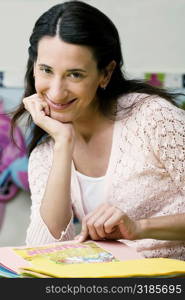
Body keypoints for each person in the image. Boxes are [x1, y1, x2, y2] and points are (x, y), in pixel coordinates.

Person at [11, 0, 185, 260]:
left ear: (105, 73)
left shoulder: (154, 118)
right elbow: (45, 250)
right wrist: (63, 142)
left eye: (75, 75)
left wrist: (139, 228)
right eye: (46, 70)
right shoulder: (49, 149)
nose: (56, 92)